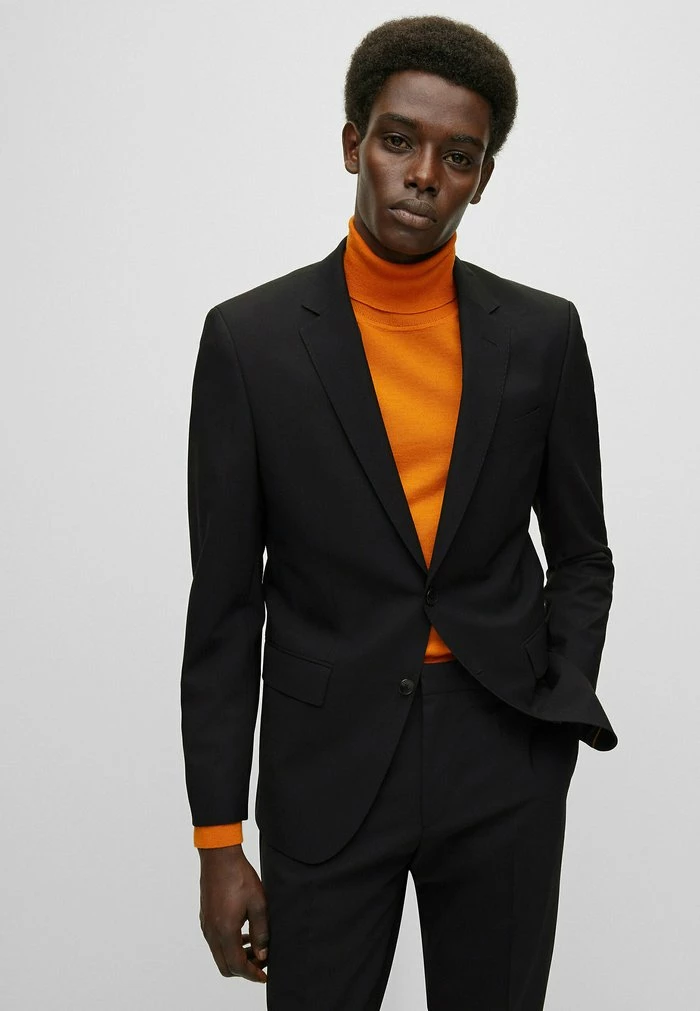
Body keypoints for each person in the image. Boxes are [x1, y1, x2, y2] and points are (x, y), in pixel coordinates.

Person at [180, 14, 617, 1010]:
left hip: (499, 754)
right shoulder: (250, 342)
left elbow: (583, 553)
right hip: (326, 766)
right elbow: (225, 604)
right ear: (353, 144)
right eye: (397, 140)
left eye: (457, 156)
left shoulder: (541, 336)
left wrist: (554, 710)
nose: (423, 175)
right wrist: (217, 840)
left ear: (482, 177)